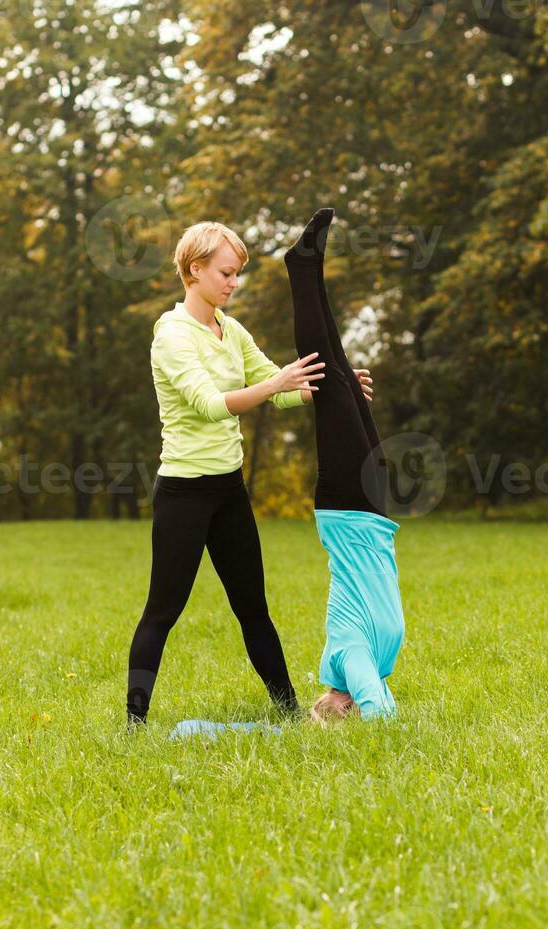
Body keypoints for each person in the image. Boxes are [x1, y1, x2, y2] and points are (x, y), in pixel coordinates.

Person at [126, 220, 329, 727]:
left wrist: (336, 389)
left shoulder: (230, 330)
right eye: (225, 272)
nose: (233, 282)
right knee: (163, 610)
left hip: (228, 491)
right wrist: (277, 382)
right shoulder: (173, 336)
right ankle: (134, 724)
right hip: (184, 494)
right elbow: (212, 405)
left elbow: (279, 389)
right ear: (194, 270)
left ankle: (291, 713)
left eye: (237, 273)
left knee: (253, 608)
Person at [283, 208, 406, 725]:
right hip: (369, 516)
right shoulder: (372, 671)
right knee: (341, 377)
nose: (344, 706)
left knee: (325, 372)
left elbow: (378, 709)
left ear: (338, 703)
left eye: (338, 710)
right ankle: (311, 266)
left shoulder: (346, 659)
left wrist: (372, 725)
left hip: (348, 513)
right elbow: (382, 699)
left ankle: (302, 266)